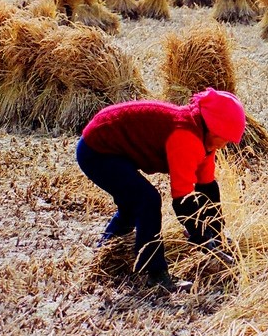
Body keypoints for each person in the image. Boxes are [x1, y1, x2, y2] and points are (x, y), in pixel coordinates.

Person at [76, 88, 246, 291]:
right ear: (212, 129)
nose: (226, 144)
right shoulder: (186, 137)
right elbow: (183, 200)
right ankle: (154, 273)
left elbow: (207, 189)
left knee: (132, 204)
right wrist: (200, 237)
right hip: (97, 150)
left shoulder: (205, 140)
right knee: (147, 201)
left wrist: (216, 235)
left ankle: (107, 250)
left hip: (114, 149)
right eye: (225, 138)